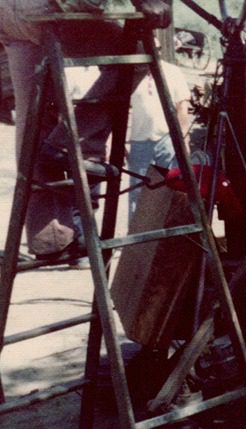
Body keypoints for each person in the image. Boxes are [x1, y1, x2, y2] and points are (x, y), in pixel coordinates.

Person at [0, 0, 170, 258]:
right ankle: (75, 141)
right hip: (41, 9)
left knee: (33, 116)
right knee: (135, 53)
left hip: (8, 16)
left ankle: (49, 238)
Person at [128, 46, 191, 222]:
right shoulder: (131, 73)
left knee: (173, 190)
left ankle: (169, 240)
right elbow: (121, 110)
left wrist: (183, 139)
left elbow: (182, 108)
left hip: (168, 141)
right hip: (139, 142)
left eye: (157, 49)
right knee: (137, 193)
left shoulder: (173, 72)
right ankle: (136, 242)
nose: (153, 52)